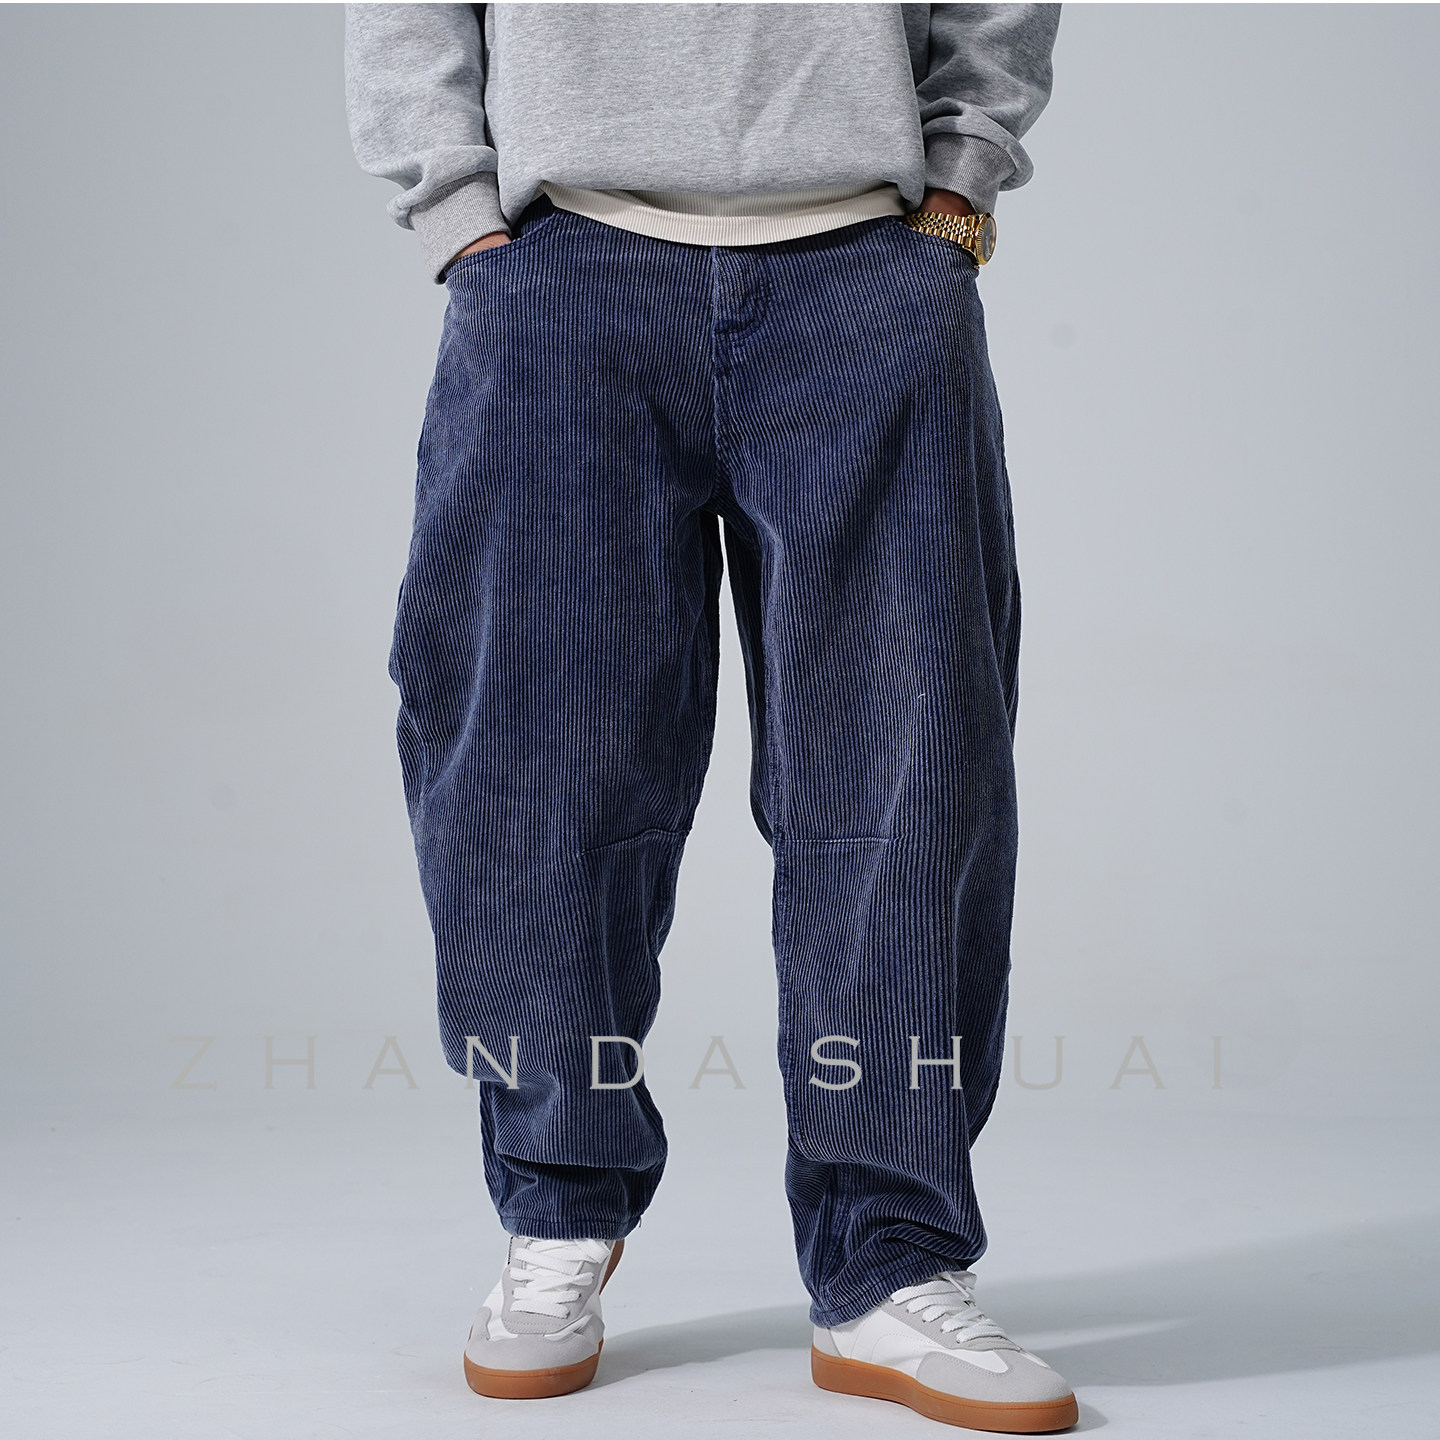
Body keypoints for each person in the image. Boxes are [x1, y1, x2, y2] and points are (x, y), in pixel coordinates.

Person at [344, 3, 1070, 1431]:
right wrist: (460, 220)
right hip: (563, 269)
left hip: (867, 268)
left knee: (909, 778)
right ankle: (557, 1204)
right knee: (532, 771)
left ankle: (889, 1259)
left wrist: (958, 193)